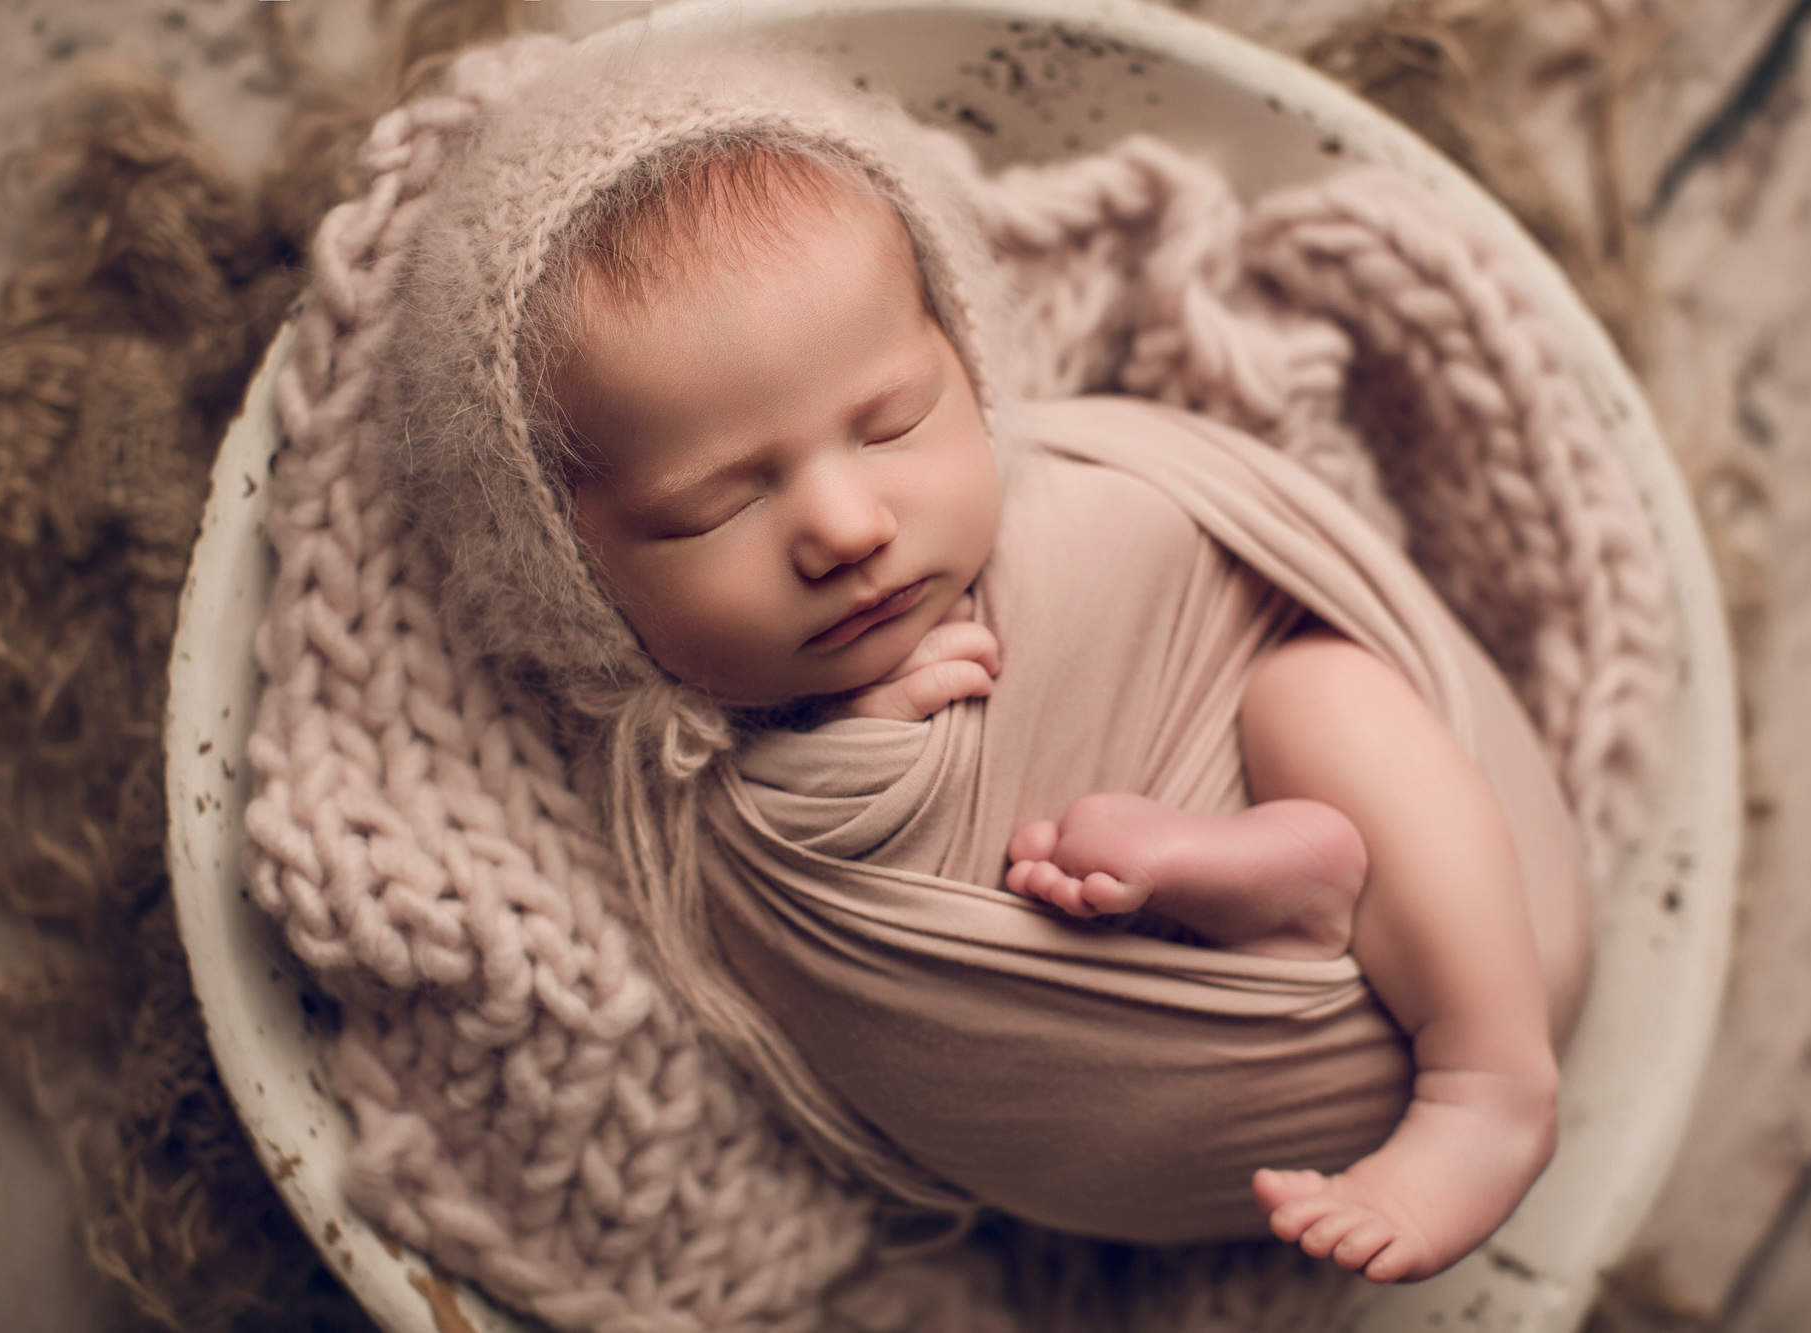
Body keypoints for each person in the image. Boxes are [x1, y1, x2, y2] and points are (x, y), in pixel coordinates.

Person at [524, 130, 1580, 1284]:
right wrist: (849, 755)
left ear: (970, 371)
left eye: (890, 424)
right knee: (1083, 859)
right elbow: (855, 985)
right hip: (1196, 1135)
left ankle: (1488, 1080)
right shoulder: (711, 823)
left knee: (1315, 687)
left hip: (1493, 923)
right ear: (568, 572)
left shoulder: (1091, 487)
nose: (843, 523)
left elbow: (1211, 568)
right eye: (711, 508)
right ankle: (1277, 902)